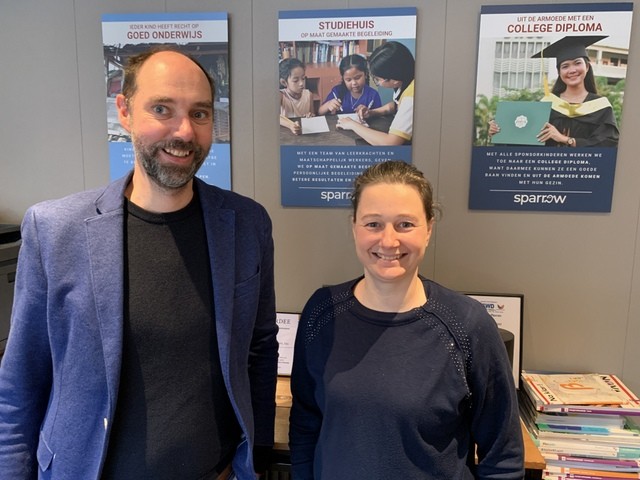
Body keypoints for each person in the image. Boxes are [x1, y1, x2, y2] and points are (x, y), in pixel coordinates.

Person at [0, 47, 278, 480]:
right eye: (162, 109)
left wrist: (256, 457)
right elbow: (21, 381)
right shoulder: (55, 229)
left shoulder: (246, 223)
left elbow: (259, 347)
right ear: (125, 112)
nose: (184, 131)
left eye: (200, 113)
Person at [289, 160, 524, 479]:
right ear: (354, 227)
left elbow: (503, 456)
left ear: (428, 229)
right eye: (373, 224)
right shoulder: (321, 311)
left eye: (405, 224)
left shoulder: (467, 325)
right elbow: (305, 424)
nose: (388, 241)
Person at [490, 35, 619, 147]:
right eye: (565, 66)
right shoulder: (547, 104)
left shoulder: (601, 107)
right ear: (559, 72)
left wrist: (566, 139)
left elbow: (608, 144)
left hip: (585, 166)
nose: (572, 70)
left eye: (577, 63)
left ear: (587, 67)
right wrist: (500, 132)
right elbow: (527, 142)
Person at [336, 42, 415, 146]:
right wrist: (372, 112)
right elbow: (397, 105)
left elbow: (390, 143)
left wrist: (352, 124)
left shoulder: (411, 98)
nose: (377, 82)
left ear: (395, 80)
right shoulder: (406, 79)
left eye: (377, 79)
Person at [317, 54, 382, 116]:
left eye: (357, 78)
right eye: (348, 80)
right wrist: (328, 105)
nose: (354, 83)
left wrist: (369, 113)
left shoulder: (373, 95)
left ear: (365, 74)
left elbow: (379, 116)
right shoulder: (337, 92)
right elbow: (320, 112)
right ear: (343, 79)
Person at [279, 57, 314, 135]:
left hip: (304, 133)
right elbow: (272, 115)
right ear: (284, 82)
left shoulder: (309, 95)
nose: (301, 83)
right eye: (296, 80)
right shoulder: (281, 96)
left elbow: (312, 114)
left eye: (303, 78)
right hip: (286, 135)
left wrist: (310, 116)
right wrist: (291, 125)